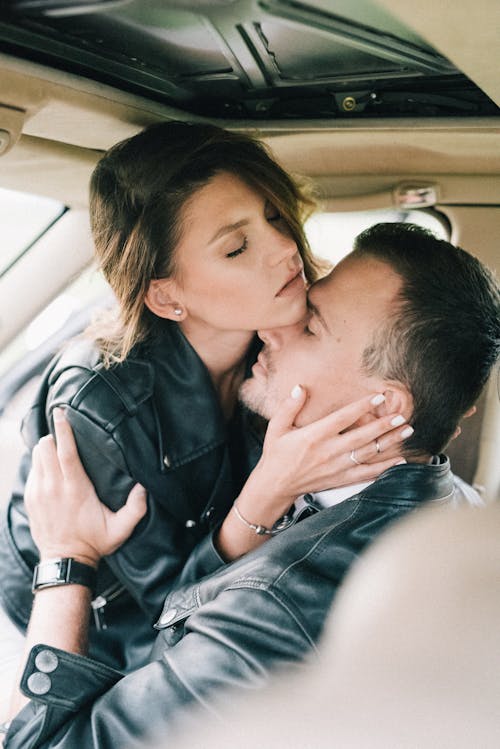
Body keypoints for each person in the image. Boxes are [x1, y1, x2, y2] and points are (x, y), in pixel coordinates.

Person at [3, 223, 499, 749]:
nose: (273, 326)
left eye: (311, 325)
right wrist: (261, 499)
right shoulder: (449, 508)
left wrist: (66, 558)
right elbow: (191, 622)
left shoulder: (280, 609)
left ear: (385, 404)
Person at [0, 120, 403, 692]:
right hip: (99, 625)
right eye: (237, 247)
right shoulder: (102, 407)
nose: (286, 248)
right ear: (167, 296)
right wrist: (269, 490)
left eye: (273, 218)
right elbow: (171, 617)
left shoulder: (285, 335)